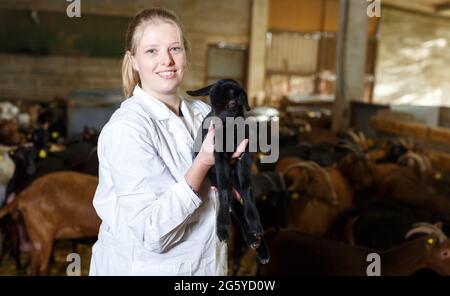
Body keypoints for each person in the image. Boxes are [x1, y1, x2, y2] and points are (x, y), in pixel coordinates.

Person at [88, 8, 248, 276]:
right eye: (152, 51)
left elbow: (215, 196)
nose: (167, 60)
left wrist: (228, 179)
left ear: (186, 54)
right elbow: (152, 234)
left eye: (175, 48)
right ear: (134, 60)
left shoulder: (201, 114)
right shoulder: (127, 129)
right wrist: (203, 163)